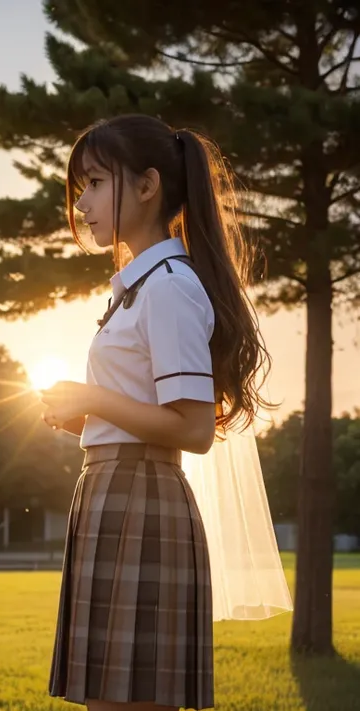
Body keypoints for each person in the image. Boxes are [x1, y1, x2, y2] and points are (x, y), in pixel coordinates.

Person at [40, 114, 291, 711]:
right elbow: (152, 408)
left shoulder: (170, 285)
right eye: (82, 188)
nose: (85, 203)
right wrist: (89, 418)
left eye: (97, 183)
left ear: (148, 185)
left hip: (141, 499)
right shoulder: (138, 285)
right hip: (111, 491)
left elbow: (194, 429)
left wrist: (95, 399)